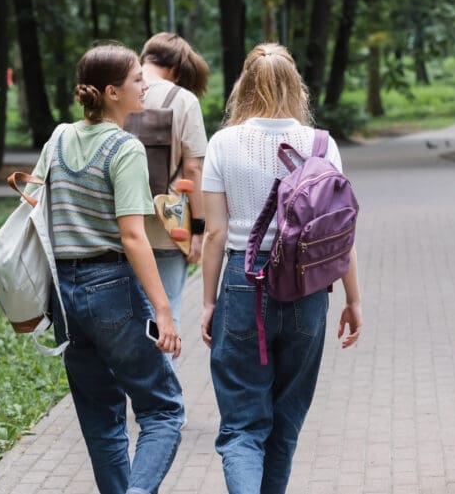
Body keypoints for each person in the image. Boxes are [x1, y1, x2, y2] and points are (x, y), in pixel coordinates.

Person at [200, 43, 363, 494]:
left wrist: (209, 302)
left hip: (241, 285)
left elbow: (214, 235)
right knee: (285, 423)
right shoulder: (322, 146)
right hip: (307, 291)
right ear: (297, 87)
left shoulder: (222, 144)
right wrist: (354, 299)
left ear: (243, 86)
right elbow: (339, 232)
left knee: (241, 428)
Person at [27, 44, 184, 494]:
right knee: (163, 410)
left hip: (65, 299)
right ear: (112, 92)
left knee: (101, 419)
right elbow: (134, 236)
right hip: (112, 289)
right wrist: (164, 311)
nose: (145, 84)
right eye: (137, 78)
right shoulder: (125, 147)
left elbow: (34, 204)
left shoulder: (57, 138)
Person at [138, 32, 210, 335]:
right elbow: (194, 168)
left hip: (121, 230)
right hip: (169, 229)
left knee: (131, 321)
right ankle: (164, 384)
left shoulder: (114, 91)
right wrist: (198, 231)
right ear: (177, 69)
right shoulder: (183, 100)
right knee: (166, 317)